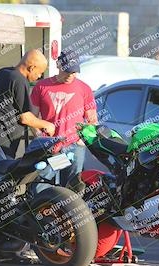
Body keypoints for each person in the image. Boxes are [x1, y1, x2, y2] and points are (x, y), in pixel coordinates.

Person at [31, 50, 98, 190]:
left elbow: (92, 120)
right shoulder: (41, 87)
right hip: (48, 145)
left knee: (72, 188)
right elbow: (32, 117)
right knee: (39, 185)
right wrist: (38, 135)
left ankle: (69, 211)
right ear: (58, 65)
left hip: (74, 147)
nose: (70, 75)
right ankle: (39, 210)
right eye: (67, 71)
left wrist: (81, 141)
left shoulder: (84, 89)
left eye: (74, 72)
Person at [0, 49, 55, 158]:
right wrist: (47, 124)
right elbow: (26, 118)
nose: (39, 77)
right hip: (0, 144)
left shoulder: (3, 72)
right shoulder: (19, 80)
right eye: (40, 73)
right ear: (32, 68)